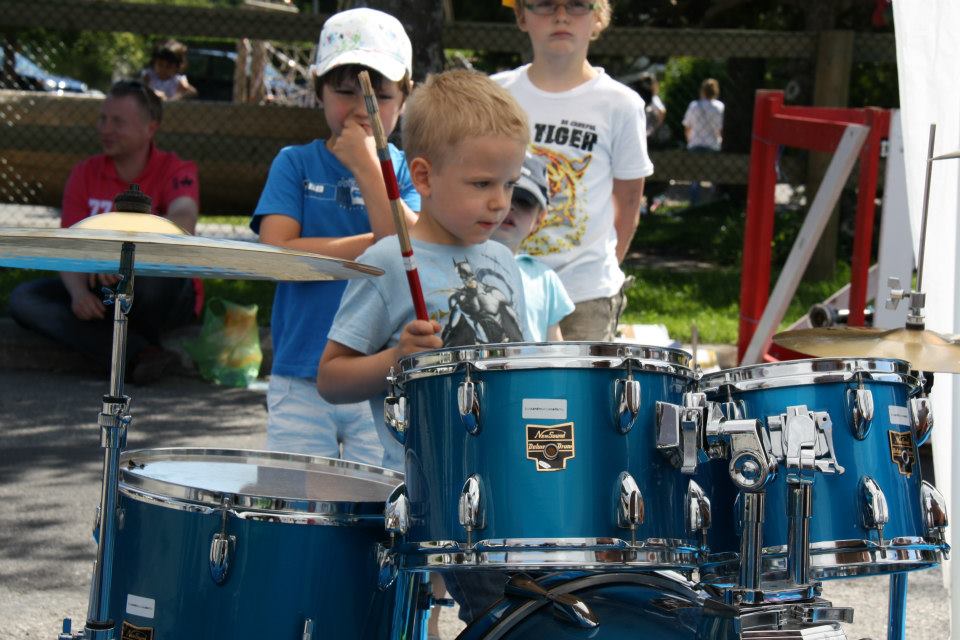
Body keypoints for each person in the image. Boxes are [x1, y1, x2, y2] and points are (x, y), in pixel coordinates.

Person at [317, 68, 531, 470]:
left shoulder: (502, 259)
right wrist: (397, 358)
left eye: (509, 184)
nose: (500, 202)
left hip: (503, 470)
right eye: (482, 184)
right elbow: (330, 379)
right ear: (424, 177)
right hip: (423, 479)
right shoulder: (387, 261)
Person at [250, 8, 419, 464]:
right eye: (345, 91)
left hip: (378, 374)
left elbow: (411, 250)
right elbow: (276, 253)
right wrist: (372, 246)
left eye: (380, 96)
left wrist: (366, 164)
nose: (362, 109)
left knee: (376, 496)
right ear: (318, 90)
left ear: (405, 99)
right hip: (300, 371)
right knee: (299, 495)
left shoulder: (409, 172)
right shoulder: (295, 163)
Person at [8, 80, 200, 384]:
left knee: (149, 283)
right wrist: (78, 293)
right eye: (102, 119)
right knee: (25, 300)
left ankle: (111, 346)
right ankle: (141, 353)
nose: (105, 129)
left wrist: (122, 257)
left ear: (150, 128)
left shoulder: (177, 169)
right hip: (100, 289)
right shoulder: (84, 172)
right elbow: (67, 245)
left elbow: (183, 221)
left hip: (155, 287)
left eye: (117, 122)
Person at [493, 0, 653, 342]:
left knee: (577, 380)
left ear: (598, 17)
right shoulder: (495, 94)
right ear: (521, 15)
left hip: (585, 294)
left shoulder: (621, 104)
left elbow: (628, 203)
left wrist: (599, 272)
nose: (561, 16)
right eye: (545, 4)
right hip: (500, 282)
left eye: (578, 5)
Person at [491, 152, 574, 341]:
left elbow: (556, 348)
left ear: (539, 219)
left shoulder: (545, 279)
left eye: (524, 201)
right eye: (507, 195)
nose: (511, 207)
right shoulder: (458, 263)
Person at [682, 77, 724, 152]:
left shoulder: (694, 105)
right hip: (713, 145)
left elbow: (687, 127)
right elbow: (720, 129)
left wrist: (690, 141)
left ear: (702, 91)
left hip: (695, 144)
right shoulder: (720, 106)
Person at [634, 72, 666, 139]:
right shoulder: (653, 98)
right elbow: (662, 111)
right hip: (647, 131)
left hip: (645, 131)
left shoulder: (649, 98)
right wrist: (657, 126)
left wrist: (656, 127)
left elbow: (661, 112)